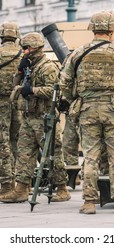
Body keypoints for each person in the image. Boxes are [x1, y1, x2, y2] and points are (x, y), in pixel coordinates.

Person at [60, 10, 114, 214]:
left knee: (90, 156)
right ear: (112, 28)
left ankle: (88, 202)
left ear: (92, 28)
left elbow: (65, 82)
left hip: (87, 111)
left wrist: (74, 99)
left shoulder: (77, 53)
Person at [0, 32, 71, 203]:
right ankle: (21, 189)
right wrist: (19, 70)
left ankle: (62, 188)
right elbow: (14, 85)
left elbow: (53, 90)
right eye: (23, 48)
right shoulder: (29, 66)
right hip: (29, 117)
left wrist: (32, 90)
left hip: (44, 118)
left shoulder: (47, 67)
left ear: (35, 48)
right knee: (24, 154)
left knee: (53, 154)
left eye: (26, 48)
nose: (23, 52)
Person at [0, 21, 23, 196]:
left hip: (1, 103)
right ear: (16, 35)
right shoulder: (23, 54)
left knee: (3, 142)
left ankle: (7, 184)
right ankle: (22, 184)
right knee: (19, 141)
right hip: (20, 103)